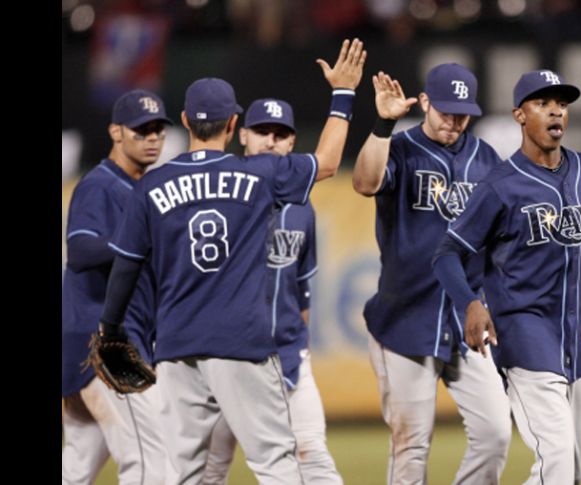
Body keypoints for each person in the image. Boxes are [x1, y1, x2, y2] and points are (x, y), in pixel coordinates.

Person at [96, 38, 366, 484]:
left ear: (184, 121)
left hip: (177, 347)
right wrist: (343, 94)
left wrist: (110, 329)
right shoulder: (258, 173)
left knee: (185, 473)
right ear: (234, 123)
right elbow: (329, 162)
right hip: (241, 341)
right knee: (278, 465)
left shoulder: (152, 186)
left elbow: (125, 266)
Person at [432, 69, 581, 484]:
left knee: (575, 467)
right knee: (555, 458)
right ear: (520, 115)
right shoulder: (500, 185)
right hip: (523, 331)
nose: (555, 110)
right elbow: (447, 254)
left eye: (562, 103)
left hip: (575, 332)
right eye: (542, 102)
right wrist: (470, 302)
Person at [352, 64, 512, 484]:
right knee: (411, 447)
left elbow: (501, 241)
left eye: (463, 113)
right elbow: (366, 182)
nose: (454, 121)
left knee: (496, 433)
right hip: (406, 320)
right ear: (424, 103)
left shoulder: (486, 160)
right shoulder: (400, 148)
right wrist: (383, 124)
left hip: (466, 322)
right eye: (446, 111)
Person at [201, 98, 342, 484]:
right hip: (226, 353)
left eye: (281, 135)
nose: (270, 141)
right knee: (209, 469)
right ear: (241, 134)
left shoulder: (302, 207)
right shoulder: (219, 196)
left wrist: (299, 341)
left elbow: (302, 287)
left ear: (293, 143)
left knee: (313, 455)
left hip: (287, 353)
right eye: (262, 131)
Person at [61, 89, 171, 484]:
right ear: (115, 132)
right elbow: (79, 249)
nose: (152, 137)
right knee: (150, 458)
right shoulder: (101, 184)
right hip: (100, 345)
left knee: (77, 467)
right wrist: (131, 244)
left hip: (89, 340)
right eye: (141, 130)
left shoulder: (142, 189)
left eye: (158, 128)